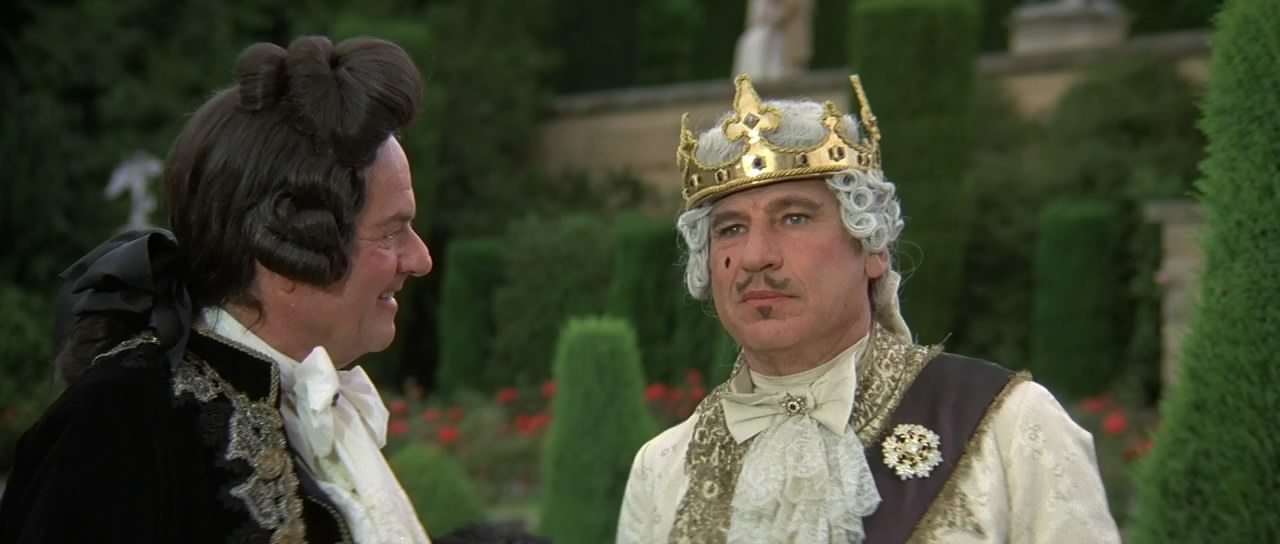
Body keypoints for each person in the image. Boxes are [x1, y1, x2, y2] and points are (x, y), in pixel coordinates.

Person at [615, 74, 1121, 543]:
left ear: (872, 246)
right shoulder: (662, 468)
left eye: (794, 218)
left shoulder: (1010, 424)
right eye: (731, 228)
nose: (755, 256)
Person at [0, 35, 434, 543]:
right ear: (288, 250)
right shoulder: (122, 423)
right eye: (390, 232)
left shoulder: (310, 408)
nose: (420, 259)